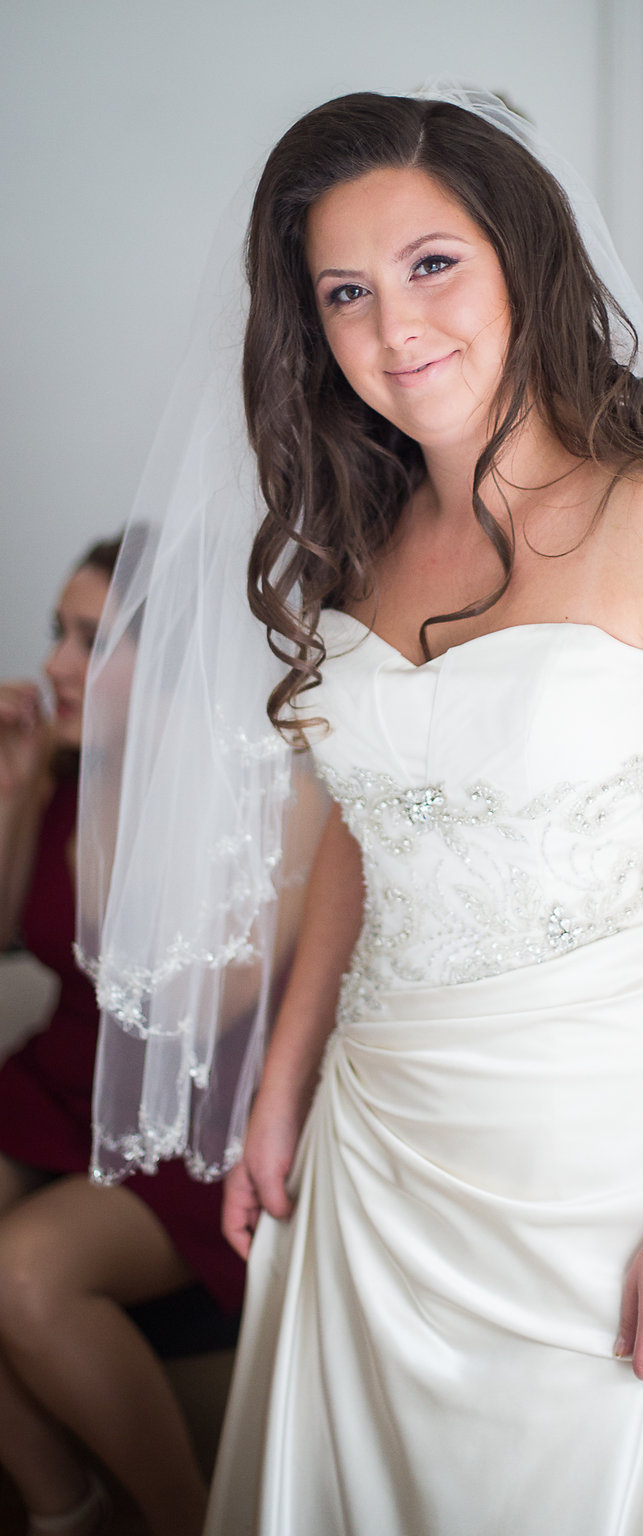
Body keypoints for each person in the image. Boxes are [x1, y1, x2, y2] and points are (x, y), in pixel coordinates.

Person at [82, 88, 643, 1534]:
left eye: (432, 266)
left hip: (611, 1155)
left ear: (518, 263)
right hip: (386, 1147)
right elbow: (374, 824)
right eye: (344, 292)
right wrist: (283, 1082)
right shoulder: (359, 543)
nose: (393, 325)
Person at [0, 539, 244, 1536]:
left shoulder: (240, 800)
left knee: (22, 1271)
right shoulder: (60, 770)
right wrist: (19, 786)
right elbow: (11, 931)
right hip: (57, 1080)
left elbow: (182, 1006)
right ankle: (67, 1508)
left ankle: (184, 1516)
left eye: (94, 642)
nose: (57, 664)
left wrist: (122, 799)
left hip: (181, 1123)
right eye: (60, 632)